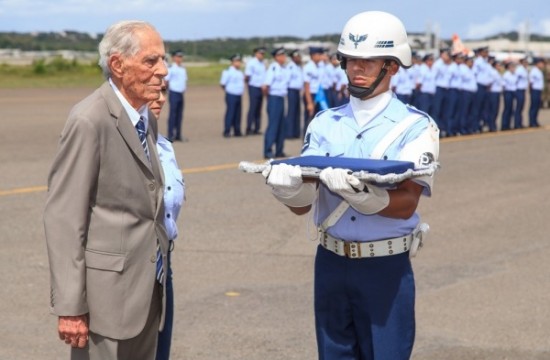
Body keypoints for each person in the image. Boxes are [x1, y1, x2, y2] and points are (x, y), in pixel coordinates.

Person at [262, 11, 439, 360]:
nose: (356, 69)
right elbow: (303, 204)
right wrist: (286, 190)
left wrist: (358, 194)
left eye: (368, 62)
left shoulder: (416, 127)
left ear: (392, 66)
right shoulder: (325, 123)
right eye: (350, 60)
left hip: (385, 267)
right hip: (330, 262)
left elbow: (406, 203)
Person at [43, 20, 170, 359]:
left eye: (163, 60)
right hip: (105, 300)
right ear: (117, 65)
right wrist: (71, 306)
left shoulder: (146, 117)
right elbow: (64, 217)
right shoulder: (90, 119)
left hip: (146, 288)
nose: (163, 71)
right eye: (151, 61)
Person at [149, 83, 186, 360]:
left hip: (163, 264)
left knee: (160, 351)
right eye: (153, 91)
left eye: (163, 91)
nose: (160, 98)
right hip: (129, 267)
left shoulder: (164, 146)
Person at [263, 47, 290, 159]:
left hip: (281, 98)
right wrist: (269, 99)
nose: (284, 57)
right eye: (281, 55)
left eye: (284, 55)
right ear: (276, 57)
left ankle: (279, 150)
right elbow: (265, 86)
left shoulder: (283, 68)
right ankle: (268, 150)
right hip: (273, 98)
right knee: (273, 125)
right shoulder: (273, 68)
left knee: (281, 126)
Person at [165, 50, 188, 142]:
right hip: (173, 93)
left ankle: (178, 134)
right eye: (178, 57)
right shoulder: (170, 68)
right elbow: (166, 81)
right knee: (173, 114)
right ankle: (170, 135)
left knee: (180, 115)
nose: (180, 59)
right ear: (174, 58)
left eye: (181, 57)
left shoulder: (183, 69)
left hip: (181, 93)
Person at [220, 54, 245, 137]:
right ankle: (227, 131)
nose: (239, 63)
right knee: (230, 113)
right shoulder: (227, 71)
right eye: (237, 61)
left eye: (239, 61)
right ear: (232, 62)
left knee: (238, 114)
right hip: (231, 94)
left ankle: (237, 130)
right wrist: (229, 90)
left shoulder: (240, 72)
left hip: (239, 94)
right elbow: (223, 84)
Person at [302, 46, 325, 134]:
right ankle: (306, 141)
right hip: (310, 95)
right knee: (309, 120)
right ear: (312, 55)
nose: (320, 57)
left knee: (317, 119)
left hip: (318, 94)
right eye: (318, 55)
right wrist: (309, 103)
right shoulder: (308, 67)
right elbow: (306, 86)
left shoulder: (318, 66)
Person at [245, 46, 267, 135]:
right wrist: (249, 85)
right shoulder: (251, 63)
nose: (262, 55)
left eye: (263, 54)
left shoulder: (262, 63)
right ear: (256, 53)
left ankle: (257, 128)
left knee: (259, 108)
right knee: (253, 108)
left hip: (261, 88)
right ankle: (249, 128)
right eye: (260, 53)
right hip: (253, 87)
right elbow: (247, 76)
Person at [286, 49, 304, 139]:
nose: (299, 58)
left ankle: (296, 132)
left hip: (297, 91)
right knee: (291, 112)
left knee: (297, 112)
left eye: (299, 57)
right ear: (293, 58)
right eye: (297, 57)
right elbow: (287, 80)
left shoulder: (298, 67)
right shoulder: (290, 67)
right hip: (291, 90)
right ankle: (289, 132)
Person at [528, 57, 545, 128]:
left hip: (539, 90)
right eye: (541, 63)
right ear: (537, 63)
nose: (542, 65)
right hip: (534, 90)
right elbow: (531, 82)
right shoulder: (533, 71)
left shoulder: (539, 71)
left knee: (537, 106)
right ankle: (532, 122)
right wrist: (531, 91)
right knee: (533, 107)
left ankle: (535, 121)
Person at [501, 61, 517, 130]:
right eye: (512, 67)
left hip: (513, 92)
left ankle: (508, 124)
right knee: (507, 109)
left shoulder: (513, 74)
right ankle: (504, 125)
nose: (513, 68)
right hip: (508, 92)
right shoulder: (506, 75)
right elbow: (503, 85)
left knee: (511, 109)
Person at [514, 57, 529, 129]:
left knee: (521, 107)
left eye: (527, 62)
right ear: (521, 63)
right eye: (525, 62)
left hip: (523, 90)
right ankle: (517, 124)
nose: (526, 64)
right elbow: (515, 79)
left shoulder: (524, 70)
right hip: (519, 90)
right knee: (518, 107)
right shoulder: (519, 70)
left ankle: (520, 123)